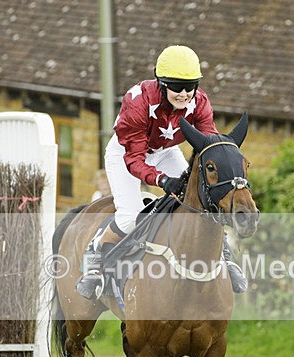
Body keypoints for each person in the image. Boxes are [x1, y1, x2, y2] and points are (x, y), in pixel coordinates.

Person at [76, 44, 247, 299]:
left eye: (190, 86)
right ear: (162, 83)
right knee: (130, 216)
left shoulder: (199, 102)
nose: (184, 94)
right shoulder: (138, 101)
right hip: (126, 152)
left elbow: (208, 145)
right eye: (177, 87)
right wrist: (162, 180)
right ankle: (95, 252)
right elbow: (134, 159)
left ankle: (224, 253)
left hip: (166, 150)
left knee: (201, 197)